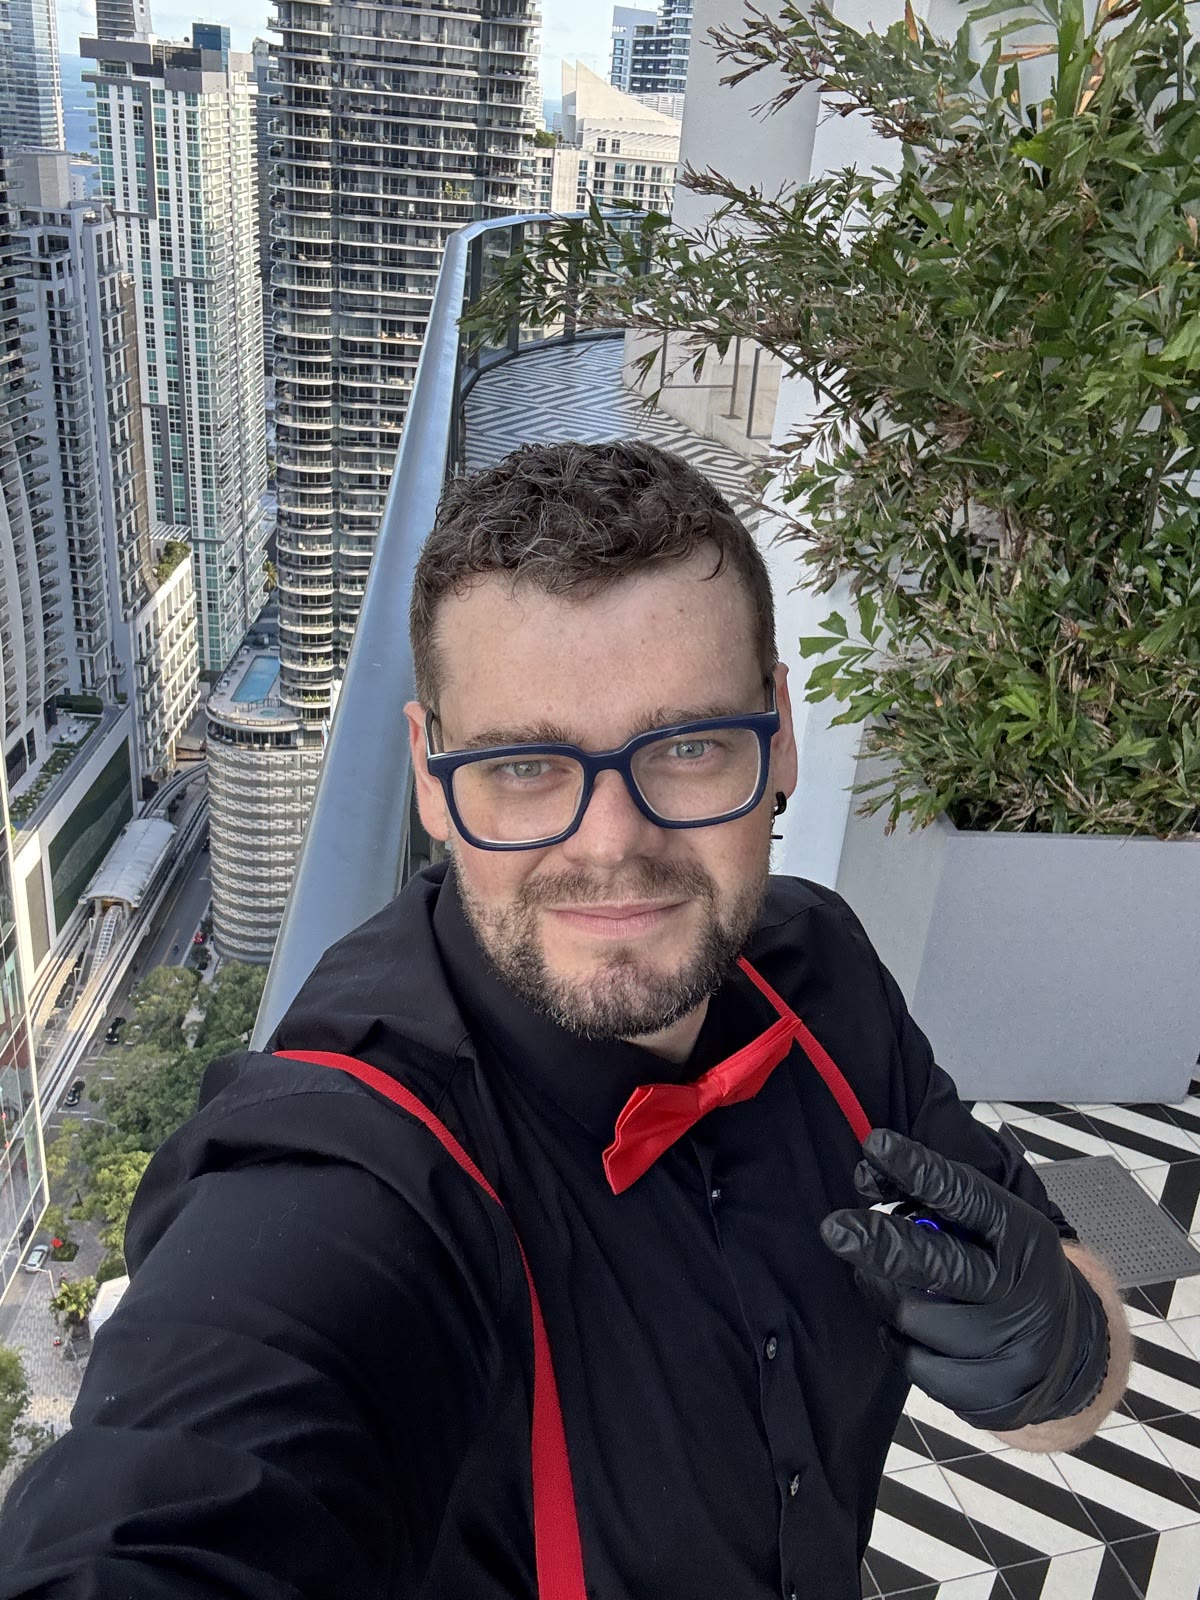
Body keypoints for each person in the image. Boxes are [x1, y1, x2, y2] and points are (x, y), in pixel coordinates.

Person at [0, 441, 1130, 1600]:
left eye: (688, 746)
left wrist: (1064, 1348)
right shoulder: (353, 1158)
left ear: (779, 732)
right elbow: (177, 1502)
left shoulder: (824, 967)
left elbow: (1079, 1337)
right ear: (433, 779)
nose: (609, 844)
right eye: (527, 765)